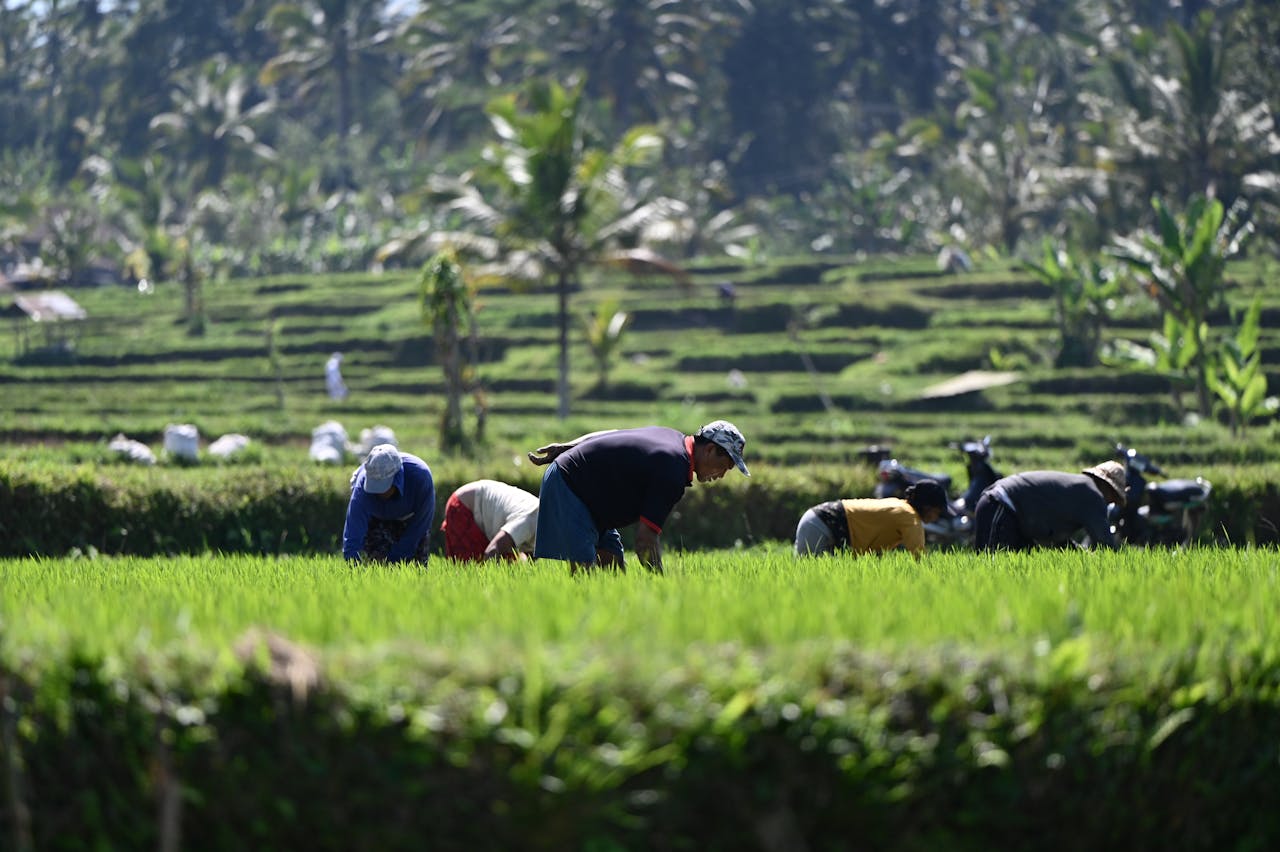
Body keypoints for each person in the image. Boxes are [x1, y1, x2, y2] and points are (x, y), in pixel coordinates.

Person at [528, 420, 750, 574]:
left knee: (614, 574)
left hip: (593, 497)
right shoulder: (672, 469)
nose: (721, 475)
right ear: (710, 450)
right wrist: (660, 587)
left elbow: (611, 435)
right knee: (586, 579)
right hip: (570, 485)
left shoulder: (672, 437)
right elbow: (645, 540)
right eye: (725, 466)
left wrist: (567, 447)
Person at [972, 461, 1126, 552]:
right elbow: (1106, 546)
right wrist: (1120, 567)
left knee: (1017, 572)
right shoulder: (1091, 494)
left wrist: (1081, 555)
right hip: (1000, 505)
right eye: (1113, 498)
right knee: (992, 568)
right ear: (1106, 486)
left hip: (1007, 512)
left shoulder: (1078, 491)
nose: (1109, 503)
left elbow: (1058, 540)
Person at [793, 479, 955, 558]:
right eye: (937, 512)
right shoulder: (909, 517)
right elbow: (919, 556)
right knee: (816, 581)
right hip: (823, 525)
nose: (936, 517)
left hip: (817, 521)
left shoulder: (900, 507)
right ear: (926, 506)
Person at [342, 443, 435, 563]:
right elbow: (353, 533)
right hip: (377, 519)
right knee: (376, 564)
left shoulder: (420, 478)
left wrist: (395, 559)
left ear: (397, 476)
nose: (379, 493)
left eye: (382, 485)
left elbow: (420, 525)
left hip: (410, 520)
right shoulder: (361, 486)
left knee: (414, 566)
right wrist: (353, 566)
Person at [441, 479, 539, 562]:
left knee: (510, 567)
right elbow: (493, 550)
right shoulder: (530, 518)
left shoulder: (543, 522)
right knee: (471, 569)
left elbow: (531, 555)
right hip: (463, 507)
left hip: (482, 507)